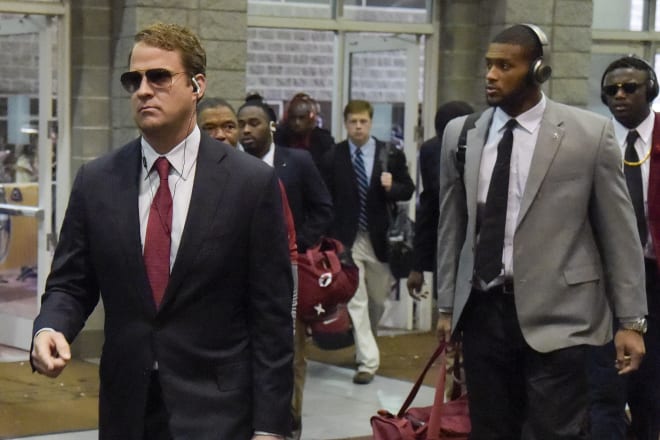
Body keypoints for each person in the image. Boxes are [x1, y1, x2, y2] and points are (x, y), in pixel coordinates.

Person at [30, 22, 294, 440]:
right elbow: (71, 283)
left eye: (159, 77)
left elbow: (272, 317)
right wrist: (49, 328)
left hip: (219, 410)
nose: (143, 90)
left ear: (197, 85)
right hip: (128, 409)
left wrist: (271, 427)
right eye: (133, 79)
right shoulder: (97, 180)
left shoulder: (249, 184)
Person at [435, 24, 647, 439]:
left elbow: (619, 235)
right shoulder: (461, 135)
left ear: (537, 71)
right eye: (488, 65)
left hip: (562, 317)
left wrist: (631, 321)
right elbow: (452, 227)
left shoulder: (589, 133)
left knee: (554, 432)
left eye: (504, 66)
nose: (491, 75)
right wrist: (446, 307)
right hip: (483, 312)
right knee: (491, 430)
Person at [237, 94, 333, 440]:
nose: (246, 131)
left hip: (287, 275)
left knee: (289, 357)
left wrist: (295, 248)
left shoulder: (298, 161)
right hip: (241, 281)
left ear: (272, 126)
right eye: (242, 124)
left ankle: (288, 427)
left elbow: (323, 207)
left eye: (254, 123)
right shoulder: (229, 167)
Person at [588, 55, 660, 440]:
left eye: (630, 88)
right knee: (605, 391)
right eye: (611, 89)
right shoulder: (589, 140)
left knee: (652, 392)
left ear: (650, 90)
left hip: (656, 277)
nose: (619, 95)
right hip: (604, 284)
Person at [321, 99, 415, 384]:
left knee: (377, 299)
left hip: (380, 237)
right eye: (353, 122)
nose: (358, 127)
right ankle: (368, 362)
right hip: (347, 239)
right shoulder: (333, 156)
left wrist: (392, 187)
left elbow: (408, 190)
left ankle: (366, 344)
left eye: (363, 121)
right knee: (356, 300)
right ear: (345, 123)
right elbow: (325, 197)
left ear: (371, 123)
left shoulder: (390, 154)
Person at [407, 101, 474, 301]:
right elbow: (429, 208)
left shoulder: (486, 148)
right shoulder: (432, 151)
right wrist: (418, 265)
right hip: (448, 240)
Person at [274, 92, 335, 169]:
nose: (297, 123)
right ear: (288, 118)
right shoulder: (278, 139)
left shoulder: (324, 141)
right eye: (293, 118)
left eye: (301, 118)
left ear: (310, 119)